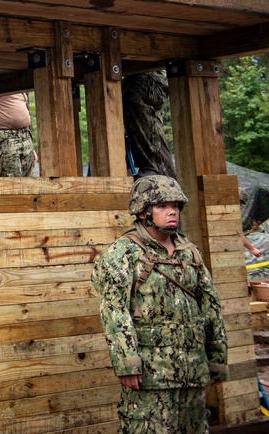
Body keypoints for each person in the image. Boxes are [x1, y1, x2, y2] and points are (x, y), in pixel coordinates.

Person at [91, 175, 227, 433]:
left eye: (175, 206)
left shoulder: (190, 252)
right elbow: (114, 311)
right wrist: (126, 362)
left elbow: (211, 305)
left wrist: (216, 359)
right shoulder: (122, 254)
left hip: (192, 371)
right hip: (150, 375)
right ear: (143, 211)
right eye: (162, 206)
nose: (172, 212)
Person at [122, 71, 175, 178]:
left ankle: (152, 167)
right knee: (153, 131)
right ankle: (166, 176)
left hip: (148, 80)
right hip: (144, 80)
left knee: (131, 94)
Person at [0, 93, 36, 176]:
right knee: (8, 182)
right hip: (3, 137)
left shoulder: (20, 82)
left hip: (25, 136)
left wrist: (30, 147)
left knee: (29, 182)